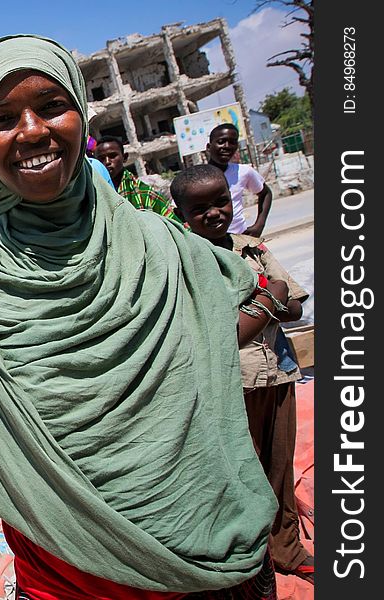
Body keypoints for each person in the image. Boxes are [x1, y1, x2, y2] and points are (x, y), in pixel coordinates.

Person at [0, 35, 289, 598]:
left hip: (213, 554)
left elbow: (248, 296)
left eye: (52, 106)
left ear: (81, 112)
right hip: (68, 579)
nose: (31, 131)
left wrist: (209, 349)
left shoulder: (157, 244)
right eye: (2, 118)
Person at [171, 164, 313, 584]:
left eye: (220, 202)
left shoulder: (252, 248)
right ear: (183, 216)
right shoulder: (186, 263)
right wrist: (269, 295)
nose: (214, 213)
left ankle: (286, 548)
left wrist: (268, 300)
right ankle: (250, 560)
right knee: (240, 475)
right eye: (200, 209)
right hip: (231, 386)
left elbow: (295, 307)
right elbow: (221, 333)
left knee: (279, 465)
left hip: (279, 374)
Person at [95, 136, 181, 223]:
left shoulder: (145, 193)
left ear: (124, 157)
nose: (107, 162)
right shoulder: (94, 195)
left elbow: (173, 224)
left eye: (112, 156)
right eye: (101, 158)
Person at [206, 123, 272, 237]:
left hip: (240, 238)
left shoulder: (244, 172)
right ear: (208, 147)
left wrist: (259, 225)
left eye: (232, 142)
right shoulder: (197, 178)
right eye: (221, 141)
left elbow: (265, 193)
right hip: (210, 244)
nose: (227, 146)